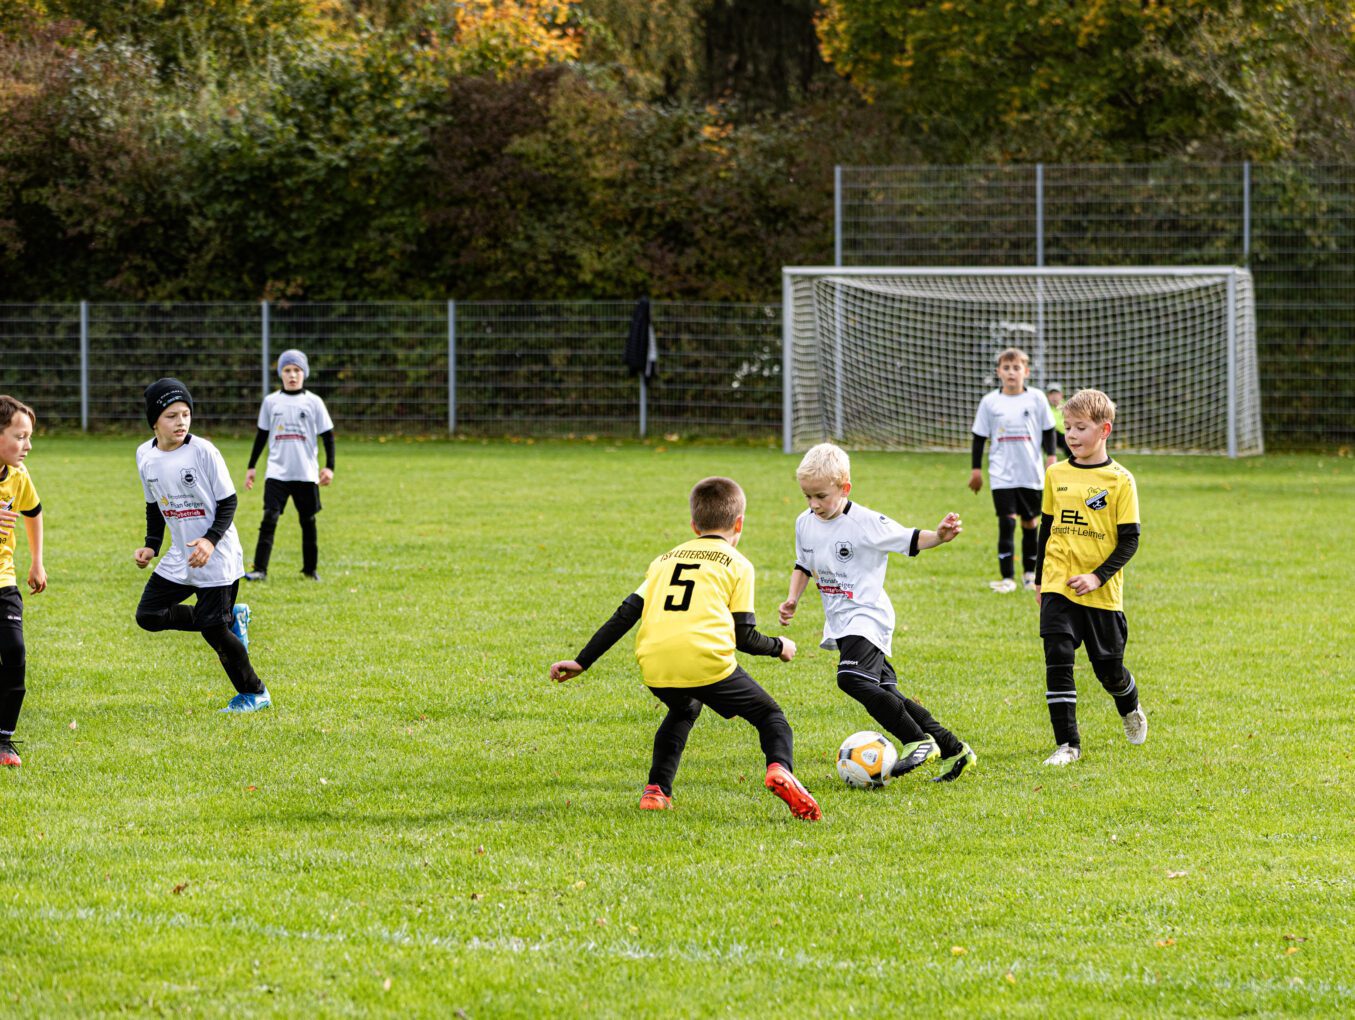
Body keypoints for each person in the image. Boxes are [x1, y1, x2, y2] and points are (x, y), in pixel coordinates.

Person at [549, 476, 822, 821]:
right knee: (770, 717)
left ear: (694, 525)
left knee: (683, 709)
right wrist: (780, 646)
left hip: (656, 666)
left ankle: (657, 791)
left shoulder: (665, 560)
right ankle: (780, 769)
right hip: (705, 662)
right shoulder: (738, 564)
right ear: (739, 524)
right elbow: (745, 638)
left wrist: (581, 661)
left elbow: (626, 613)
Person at [780, 443, 977, 783]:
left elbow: (910, 539)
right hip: (841, 620)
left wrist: (940, 537)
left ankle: (918, 741)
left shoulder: (866, 522)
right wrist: (792, 598)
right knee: (887, 690)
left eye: (821, 496)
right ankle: (953, 749)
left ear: (845, 488)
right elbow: (803, 563)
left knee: (851, 678)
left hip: (867, 615)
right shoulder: (805, 522)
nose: (813, 505)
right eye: (807, 497)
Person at [134, 379, 271, 713]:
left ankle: (255, 693)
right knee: (148, 615)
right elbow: (155, 505)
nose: (181, 422)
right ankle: (230, 619)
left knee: (213, 631)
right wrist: (151, 546)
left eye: (185, 414)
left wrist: (210, 542)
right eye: (171, 415)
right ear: (154, 421)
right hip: (181, 554)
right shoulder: (145, 455)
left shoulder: (203, 451)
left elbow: (228, 502)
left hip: (217, 553)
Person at [1035, 388, 1147, 765]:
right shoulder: (1056, 474)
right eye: (1067, 427)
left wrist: (1098, 577)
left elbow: (1130, 540)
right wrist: (1039, 579)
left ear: (1104, 430)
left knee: (1108, 670)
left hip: (1101, 593)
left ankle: (1128, 704)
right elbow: (1046, 528)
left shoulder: (1120, 481)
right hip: (1057, 584)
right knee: (1058, 656)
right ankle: (1068, 744)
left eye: (1080, 427)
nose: (1071, 435)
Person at [968, 347, 1057, 593]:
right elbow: (978, 437)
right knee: (1007, 523)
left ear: (1025, 372)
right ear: (998, 372)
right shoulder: (990, 401)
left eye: (1016, 368)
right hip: (1001, 474)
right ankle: (1007, 578)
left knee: (1030, 523)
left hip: (1031, 473)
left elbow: (1049, 430)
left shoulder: (1037, 398)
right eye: (1006, 368)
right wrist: (976, 470)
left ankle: (1030, 575)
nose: (1011, 372)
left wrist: (1051, 457)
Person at [244, 349, 335, 581]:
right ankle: (260, 570)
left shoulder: (314, 402)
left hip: (305, 473)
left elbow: (328, 436)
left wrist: (329, 467)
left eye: (297, 370)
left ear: (304, 373)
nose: (292, 375)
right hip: (277, 472)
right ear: (280, 374)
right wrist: (252, 466)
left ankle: (310, 570)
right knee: (269, 517)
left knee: (308, 521)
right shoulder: (271, 402)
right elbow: (262, 436)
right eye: (287, 370)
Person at [0, 397, 46, 767]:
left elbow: (33, 512)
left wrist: (37, 562)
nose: (28, 445)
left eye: (29, 436)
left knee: (14, 651)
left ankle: (3, 740)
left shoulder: (18, 476)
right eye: (20, 436)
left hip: (4, 580)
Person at [1046, 383, 1071, 457]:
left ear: (1061, 395)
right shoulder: (1045, 408)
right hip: (1051, 435)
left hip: (1066, 434)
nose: (1054, 397)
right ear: (1048, 396)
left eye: (1056, 394)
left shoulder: (1069, 406)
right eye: (1051, 394)